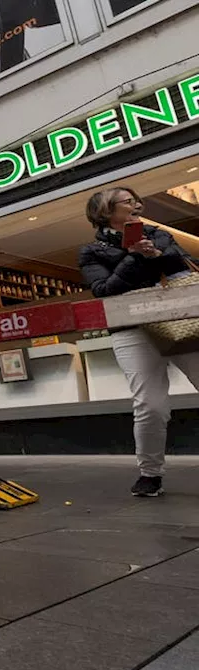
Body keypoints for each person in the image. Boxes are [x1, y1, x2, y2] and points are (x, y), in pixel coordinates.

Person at [79, 187, 199, 498]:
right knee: (150, 404)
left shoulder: (157, 234)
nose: (137, 205)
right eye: (128, 201)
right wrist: (133, 257)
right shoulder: (91, 251)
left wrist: (157, 255)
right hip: (130, 328)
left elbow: (184, 265)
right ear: (106, 211)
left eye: (137, 201)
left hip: (177, 319)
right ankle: (150, 474)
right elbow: (104, 290)